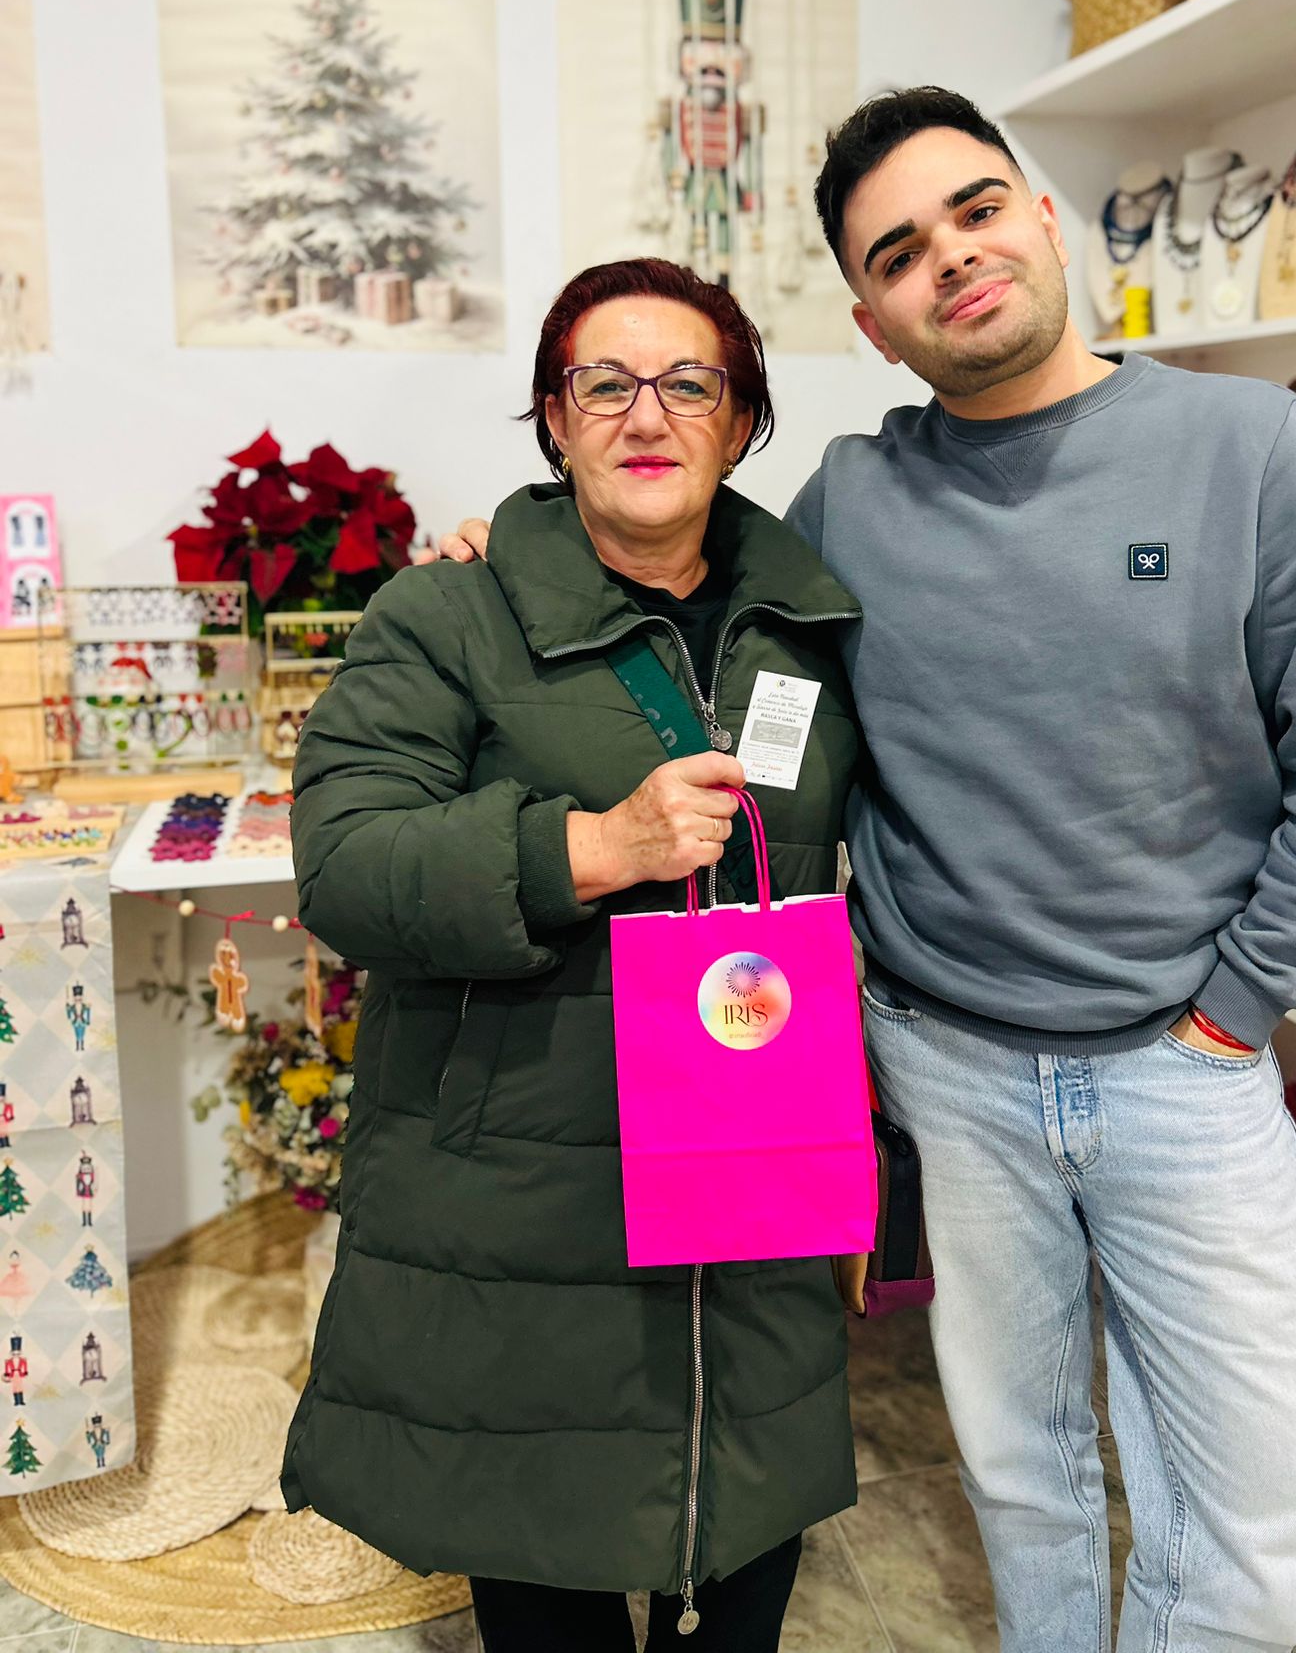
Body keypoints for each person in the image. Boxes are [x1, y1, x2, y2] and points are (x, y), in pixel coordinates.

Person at [436, 89, 1296, 1653]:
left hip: (1187, 1067)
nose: (953, 259)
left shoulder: (1247, 450)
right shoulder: (857, 500)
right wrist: (500, 560)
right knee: (1024, 1476)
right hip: (952, 1069)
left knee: (1255, 1528)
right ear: (874, 322)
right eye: (900, 253)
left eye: (976, 210)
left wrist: (1236, 1009)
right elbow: (680, 581)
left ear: (1042, 217)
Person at [282, 258, 864, 1653]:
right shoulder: (449, 614)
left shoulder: (815, 628)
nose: (645, 414)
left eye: (689, 384)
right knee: (547, 1581)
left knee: (749, 1554)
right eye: (604, 384)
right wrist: (591, 848)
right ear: (555, 419)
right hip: (532, 1201)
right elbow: (344, 862)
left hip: (758, 1168)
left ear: (742, 420)